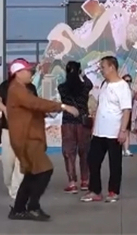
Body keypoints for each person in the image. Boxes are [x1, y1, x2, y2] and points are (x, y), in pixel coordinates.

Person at [5, 58, 80, 221]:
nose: (31, 73)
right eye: (28, 70)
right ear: (17, 73)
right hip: (27, 139)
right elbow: (34, 103)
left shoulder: (21, 89)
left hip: (28, 138)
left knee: (32, 174)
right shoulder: (17, 89)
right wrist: (62, 106)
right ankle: (33, 207)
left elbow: (31, 109)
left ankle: (18, 209)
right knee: (45, 170)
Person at [81, 56, 132, 203]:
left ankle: (113, 191)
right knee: (92, 160)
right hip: (99, 131)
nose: (101, 70)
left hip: (114, 131)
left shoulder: (123, 86)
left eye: (103, 67)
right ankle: (95, 191)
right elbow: (100, 106)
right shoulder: (104, 84)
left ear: (112, 67)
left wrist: (123, 130)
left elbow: (126, 110)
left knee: (114, 163)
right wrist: (94, 127)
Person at [57, 61, 92, 193]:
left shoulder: (62, 88)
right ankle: (85, 181)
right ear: (79, 72)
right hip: (83, 123)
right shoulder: (85, 87)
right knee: (85, 152)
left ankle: (72, 183)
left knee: (69, 153)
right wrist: (83, 75)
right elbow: (89, 84)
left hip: (68, 122)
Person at [0, 74, 23, 200]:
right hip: (7, 129)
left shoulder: (30, 87)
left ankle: (16, 189)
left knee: (21, 161)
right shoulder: (6, 85)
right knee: (8, 162)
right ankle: (10, 183)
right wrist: (4, 109)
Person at [122, 74, 135, 157]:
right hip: (119, 113)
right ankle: (120, 149)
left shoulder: (132, 92)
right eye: (127, 81)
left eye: (130, 81)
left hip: (128, 112)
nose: (128, 82)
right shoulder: (119, 91)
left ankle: (126, 149)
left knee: (127, 131)